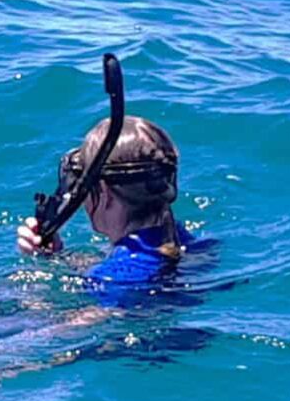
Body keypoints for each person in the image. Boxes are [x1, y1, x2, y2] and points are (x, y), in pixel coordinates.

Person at [13, 113, 216, 296]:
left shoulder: (110, 280)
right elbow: (140, 267)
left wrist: (36, 292)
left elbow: (81, 319)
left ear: (104, 192)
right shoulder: (187, 243)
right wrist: (56, 257)